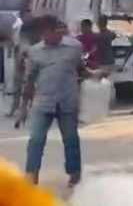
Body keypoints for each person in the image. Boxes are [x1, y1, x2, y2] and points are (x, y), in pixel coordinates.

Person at [21, 16, 93, 187]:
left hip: (67, 101)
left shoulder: (74, 47)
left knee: (70, 139)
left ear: (57, 31)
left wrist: (95, 75)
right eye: (43, 33)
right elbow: (29, 81)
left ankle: (74, 174)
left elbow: (81, 70)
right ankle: (32, 175)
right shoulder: (35, 52)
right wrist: (23, 108)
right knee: (36, 140)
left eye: (50, 32)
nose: (47, 36)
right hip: (43, 103)